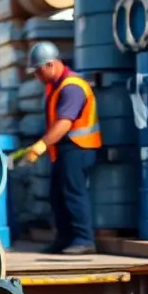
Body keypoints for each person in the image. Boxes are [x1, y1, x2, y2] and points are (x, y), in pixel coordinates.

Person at [18, 41, 101, 255]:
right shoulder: (56, 86)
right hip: (65, 149)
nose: (36, 76)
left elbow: (64, 123)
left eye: (38, 71)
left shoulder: (72, 87)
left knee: (74, 193)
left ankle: (84, 239)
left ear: (51, 65)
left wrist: (41, 145)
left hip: (79, 147)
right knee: (57, 195)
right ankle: (64, 239)